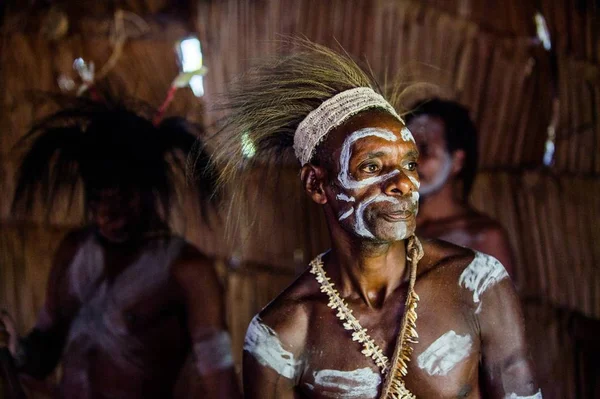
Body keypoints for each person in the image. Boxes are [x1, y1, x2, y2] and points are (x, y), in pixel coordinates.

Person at [213, 41, 541, 398]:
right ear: (317, 184)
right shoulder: (282, 335)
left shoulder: (478, 286)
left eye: (410, 164)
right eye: (371, 166)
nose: (402, 183)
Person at [0, 93, 240, 398]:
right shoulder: (74, 251)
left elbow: (220, 385)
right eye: (99, 199)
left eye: (123, 198)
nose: (107, 215)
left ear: (150, 191)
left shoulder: (188, 272)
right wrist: (15, 349)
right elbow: (44, 348)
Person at [405, 99, 515, 277]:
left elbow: (499, 304)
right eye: (407, 151)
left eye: (425, 150)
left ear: (457, 161)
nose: (412, 162)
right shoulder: (393, 225)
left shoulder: (483, 238)